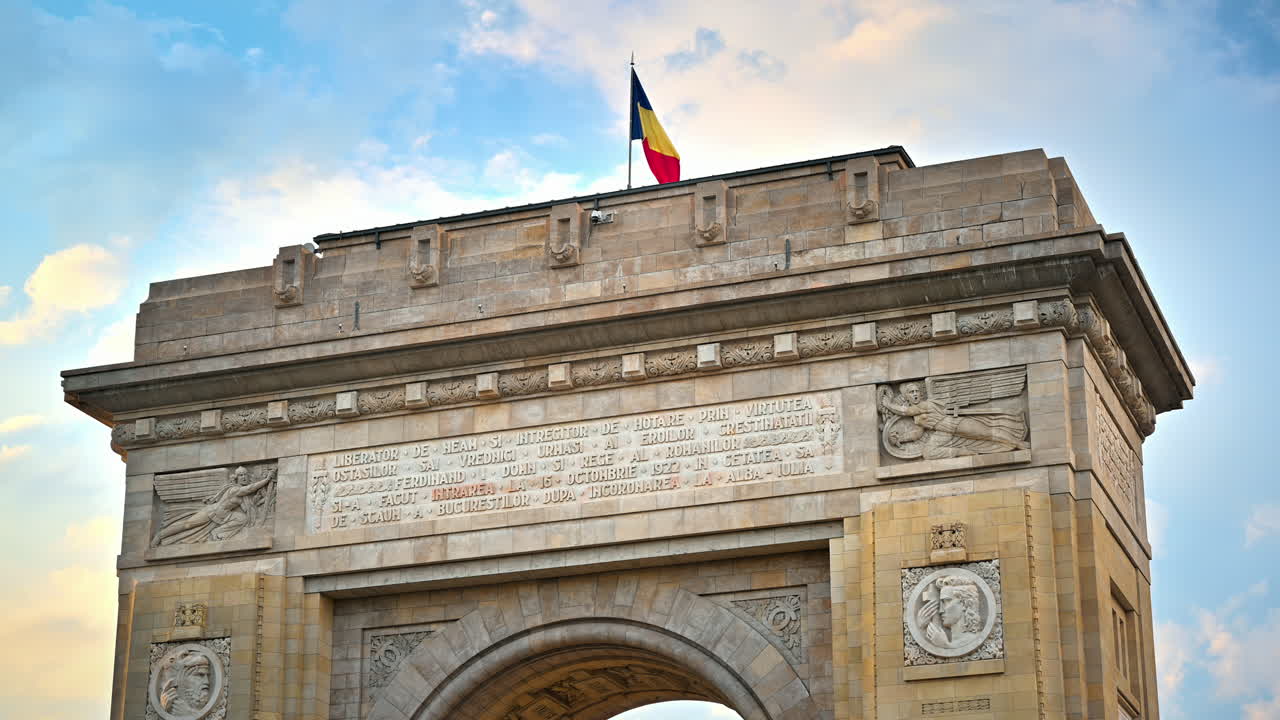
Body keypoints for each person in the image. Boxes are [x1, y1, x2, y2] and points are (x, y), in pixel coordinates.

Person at [881, 382, 1028, 459]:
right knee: (928, 453)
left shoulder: (925, 404)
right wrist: (901, 439)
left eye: (916, 391)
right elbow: (918, 434)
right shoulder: (917, 416)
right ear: (906, 396)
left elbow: (905, 411)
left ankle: (1017, 443)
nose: (915, 394)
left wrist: (887, 404)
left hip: (954, 424)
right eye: (911, 392)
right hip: (943, 432)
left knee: (988, 433)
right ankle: (961, 452)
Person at [152, 466, 275, 546]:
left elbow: (247, 507)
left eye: (245, 475)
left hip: (224, 517)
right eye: (241, 475)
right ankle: (160, 535)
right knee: (187, 524)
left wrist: (260, 499)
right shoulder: (234, 490)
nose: (244, 477)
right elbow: (251, 488)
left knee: (241, 518)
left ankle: (218, 534)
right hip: (212, 512)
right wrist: (266, 480)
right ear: (236, 478)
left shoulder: (243, 495)